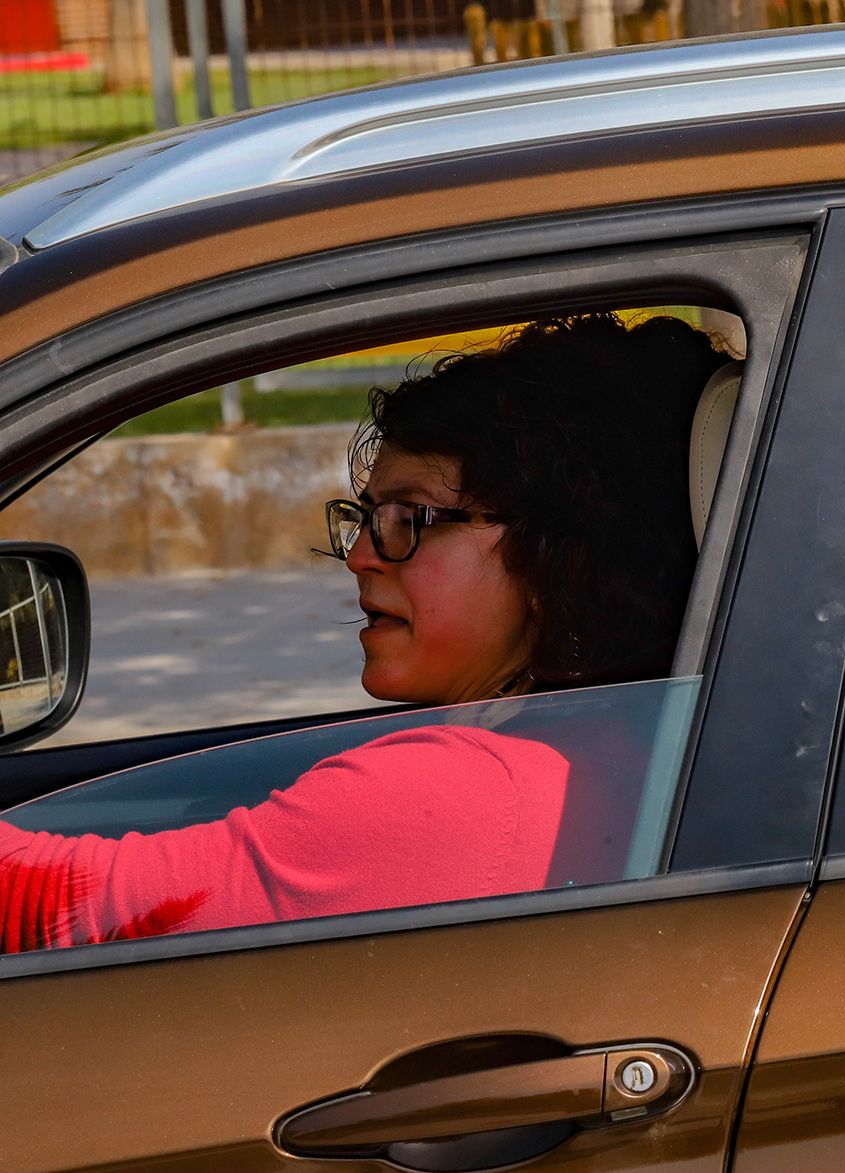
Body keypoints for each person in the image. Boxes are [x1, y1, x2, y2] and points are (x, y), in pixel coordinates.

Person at [0, 313, 730, 953]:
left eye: (410, 517)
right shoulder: (633, 739)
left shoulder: (457, 790)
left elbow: (59, 908)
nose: (360, 553)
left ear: (560, 553)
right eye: (369, 516)